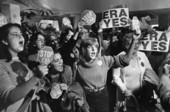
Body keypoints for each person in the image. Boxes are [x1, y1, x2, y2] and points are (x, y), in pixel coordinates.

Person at [74, 29, 140, 112]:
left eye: (95, 47)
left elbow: (125, 60)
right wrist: (79, 100)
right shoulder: (77, 65)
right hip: (86, 97)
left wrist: (134, 41)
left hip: (102, 96)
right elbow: (75, 85)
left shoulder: (105, 60)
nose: (93, 50)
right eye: (89, 47)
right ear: (84, 49)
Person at [0, 23, 48, 112]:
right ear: (4, 41)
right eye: (15, 34)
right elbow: (9, 97)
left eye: (21, 34)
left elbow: (26, 87)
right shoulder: (1, 65)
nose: (20, 36)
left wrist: (38, 85)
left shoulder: (21, 61)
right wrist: (36, 77)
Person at [112, 32, 159, 112]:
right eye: (133, 43)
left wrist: (157, 87)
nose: (136, 46)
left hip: (141, 96)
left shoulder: (142, 55)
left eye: (138, 43)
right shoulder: (119, 58)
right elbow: (115, 78)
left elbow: (149, 71)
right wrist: (125, 91)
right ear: (126, 45)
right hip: (125, 96)